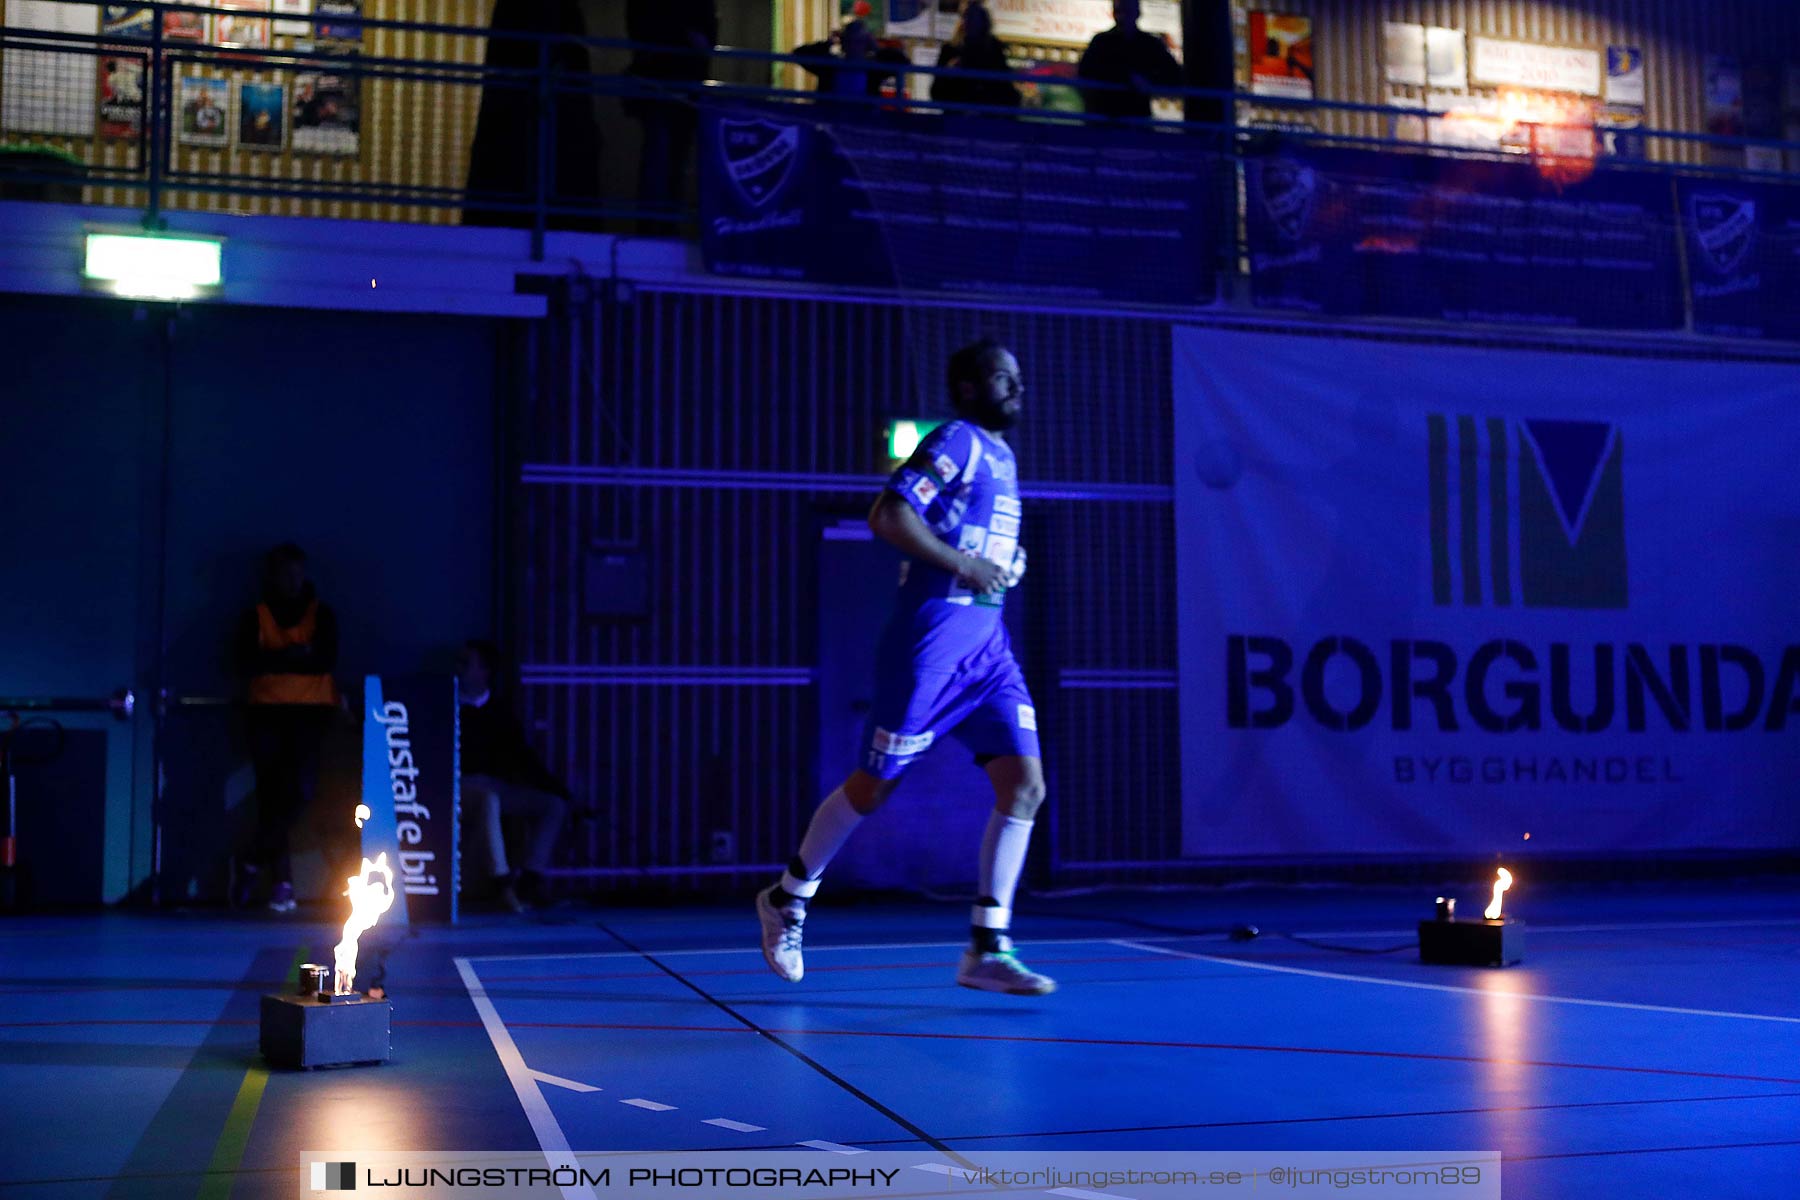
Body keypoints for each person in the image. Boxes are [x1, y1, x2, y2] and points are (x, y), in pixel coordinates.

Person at [757, 337, 1052, 996]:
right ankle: (788, 897)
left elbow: (974, 543)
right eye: (1005, 378)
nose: (1018, 389)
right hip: (934, 639)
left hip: (988, 648)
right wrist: (969, 566)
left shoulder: (1003, 457)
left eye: (1020, 378)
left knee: (1025, 785)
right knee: (875, 786)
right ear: (972, 388)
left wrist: (1003, 565)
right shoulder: (959, 439)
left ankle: (987, 946)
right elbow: (888, 515)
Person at [236, 543, 340, 913]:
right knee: (271, 797)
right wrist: (295, 656)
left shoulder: (321, 614)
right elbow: (244, 661)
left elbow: (325, 660)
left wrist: (277, 660)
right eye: (284, 573)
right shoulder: (256, 615)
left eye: (297, 572)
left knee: (300, 792)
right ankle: (282, 882)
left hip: (311, 714)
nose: (292, 581)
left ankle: (250, 859)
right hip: (266, 712)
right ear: (272, 576)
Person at [457, 639, 569, 912]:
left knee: (553, 805)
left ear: (484, 671)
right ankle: (501, 883)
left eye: (466, 664)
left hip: (497, 785)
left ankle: (530, 878)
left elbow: (522, 755)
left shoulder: (500, 712)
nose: (459, 670)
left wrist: (560, 790)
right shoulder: (449, 708)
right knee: (488, 800)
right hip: (462, 785)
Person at [624, 0, 717, 233]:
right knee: (664, 156)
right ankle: (657, 225)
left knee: (669, 158)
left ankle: (660, 224)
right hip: (666, 84)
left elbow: (705, 39)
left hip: (676, 85)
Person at [1077, 0, 1183, 121]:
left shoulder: (1102, 42)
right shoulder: (1148, 43)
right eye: (1119, 11)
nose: (1121, 16)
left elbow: (1173, 75)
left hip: (1111, 117)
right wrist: (1143, 79)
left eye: (1125, 11)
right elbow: (1085, 74)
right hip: (1123, 117)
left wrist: (1147, 79)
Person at [931, 3, 1019, 110]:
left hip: (972, 115)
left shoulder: (993, 51)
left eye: (974, 20)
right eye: (970, 19)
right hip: (966, 115)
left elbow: (1006, 92)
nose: (971, 24)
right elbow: (936, 92)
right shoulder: (951, 50)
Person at [793, 18, 908, 100]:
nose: (855, 44)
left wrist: (877, 49)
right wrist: (827, 43)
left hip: (860, 124)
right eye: (851, 39)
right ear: (843, 42)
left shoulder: (874, 69)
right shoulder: (829, 65)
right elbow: (798, 53)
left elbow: (903, 62)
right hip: (831, 122)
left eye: (859, 40)